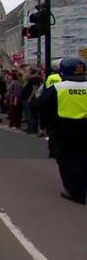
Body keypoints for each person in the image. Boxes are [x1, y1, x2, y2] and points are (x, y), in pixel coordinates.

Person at [33, 58, 87, 204]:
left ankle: (74, 192)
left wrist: (45, 123)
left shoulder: (59, 88)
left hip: (65, 129)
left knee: (67, 161)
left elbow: (40, 104)